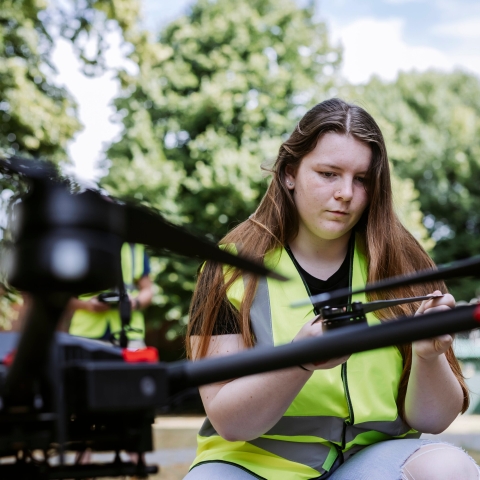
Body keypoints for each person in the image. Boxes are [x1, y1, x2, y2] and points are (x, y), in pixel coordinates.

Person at [184, 99, 479, 479]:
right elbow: (230, 422)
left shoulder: (409, 264)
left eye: (361, 179)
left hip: (370, 462)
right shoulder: (228, 266)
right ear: (289, 173)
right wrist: (300, 361)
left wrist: (428, 357)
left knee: (449, 468)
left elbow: (434, 420)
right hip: (251, 464)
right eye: (328, 173)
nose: (345, 193)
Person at [68, 242, 153, 349]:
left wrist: (134, 303)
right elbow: (61, 295)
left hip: (129, 336)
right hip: (85, 336)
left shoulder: (135, 249)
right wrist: (86, 305)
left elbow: (148, 290)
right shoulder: (82, 243)